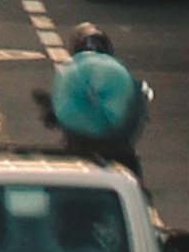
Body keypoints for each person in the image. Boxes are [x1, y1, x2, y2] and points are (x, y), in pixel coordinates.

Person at [50, 23, 146, 159]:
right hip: (115, 145)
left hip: (81, 145)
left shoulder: (70, 73)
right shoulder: (118, 73)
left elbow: (59, 106)